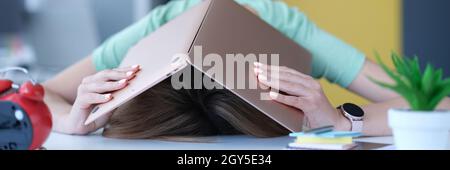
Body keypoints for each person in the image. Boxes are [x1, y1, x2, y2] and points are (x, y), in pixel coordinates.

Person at [43, 0, 450, 136]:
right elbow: (44, 92)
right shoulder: (163, 23)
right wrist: (69, 120)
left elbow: (438, 101)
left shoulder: (278, 24)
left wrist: (341, 121)